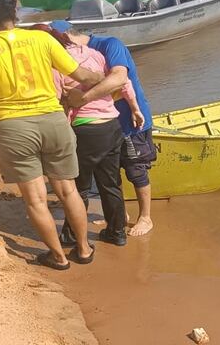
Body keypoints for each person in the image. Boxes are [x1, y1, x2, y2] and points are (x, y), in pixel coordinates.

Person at [0, 0, 102, 270]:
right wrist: (102, 77)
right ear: (14, 13)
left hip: (13, 127)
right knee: (68, 191)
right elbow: (80, 75)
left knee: (36, 198)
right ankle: (84, 249)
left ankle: (59, 257)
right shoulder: (42, 38)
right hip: (53, 120)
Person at [35, 23, 145, 247]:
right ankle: (117, 233)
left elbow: (58, 99)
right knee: (111, 183)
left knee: (79, 187)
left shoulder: (57, 63)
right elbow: (124, 82)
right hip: (111, 125)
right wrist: (135, 109)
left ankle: (72, 235)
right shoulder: (96, 54)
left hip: (85, 128)